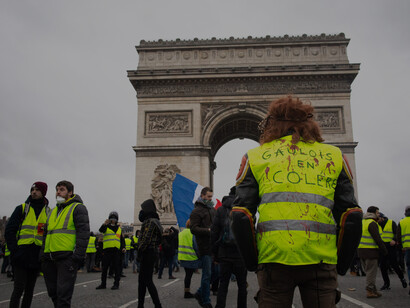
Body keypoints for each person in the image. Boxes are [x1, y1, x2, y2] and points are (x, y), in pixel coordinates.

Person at [231, 95, 360, 307]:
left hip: (274, 259)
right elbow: (352, 216)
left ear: (271, 124)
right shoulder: (334, 155)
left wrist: (254, 262)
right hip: (321, 259)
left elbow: (240, 216)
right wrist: (342, 264)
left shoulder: (255, 156)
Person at [41, 180, 90, 307]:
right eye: (57, 189)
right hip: (49, 258)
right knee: (53, 293)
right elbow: (46, 234)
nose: (58, 192)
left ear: (70, 192)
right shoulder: (51, 211)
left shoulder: (78, 208)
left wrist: (77, 257)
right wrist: (42, 255)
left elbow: (83, 234)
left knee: (63, 296)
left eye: (62, 189)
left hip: (66, 259)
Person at [5, 181, 50, 308]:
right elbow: (10, 230)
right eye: (32, 190)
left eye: (37, 190)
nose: (34, 192)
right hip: (21, 253)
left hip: (36, 255)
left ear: (43, 192)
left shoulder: (48, 212)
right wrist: (14, 250)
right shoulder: (22, 208)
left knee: (30, 291)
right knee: (18, 288)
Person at [211, 186, 247, 308]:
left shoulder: (220, 210)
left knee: (223, 284)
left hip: (224, 253)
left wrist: (215, 254)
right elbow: (250, 234)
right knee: (242, 285)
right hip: (240, 254)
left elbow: (214, 233)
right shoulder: (244, 209)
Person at [190, 186, 216, 308]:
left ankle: (200, 292)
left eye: (211, 196)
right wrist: (208, 230)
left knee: (216, 273)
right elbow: (193, 229)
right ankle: (206, 301)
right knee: (207, 274)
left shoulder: (212, 209)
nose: (211, 199)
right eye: (209, 196)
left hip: (213, 245)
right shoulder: (196, 211)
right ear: (202, 195)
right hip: (204, 246)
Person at [137, 199, 163, 308]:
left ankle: (157, 305)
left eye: (142, 209)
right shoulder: (155, 221)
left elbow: (146, 239)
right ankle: (140, 305)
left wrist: (139, 249)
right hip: (151, 252)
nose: (141, 212)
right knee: (142, 281)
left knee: (147, 281)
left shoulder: (150, 221)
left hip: (147, 253)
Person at [358, 206, 387, 298]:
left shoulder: (362, 222)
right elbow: (377, 238)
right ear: (373, 213)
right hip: (370, 251)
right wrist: (384, 250)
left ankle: (373, 290)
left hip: (361, 250)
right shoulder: (372, 223)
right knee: (371, 272)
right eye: (377, 212)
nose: (378, 214)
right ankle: (370, 290)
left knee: (368, 271)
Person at [96, 211, 125, 290]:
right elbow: (101, 230)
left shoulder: (119, 229)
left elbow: (122, 240)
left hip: (116, 251)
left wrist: (123, 247)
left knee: (116, 268)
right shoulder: (106, 227)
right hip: (107, 250)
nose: (113, 220)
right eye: (112, 218)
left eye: (114, 218)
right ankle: (103, 284)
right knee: (104, 268)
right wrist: (104, 223)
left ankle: (116, 284)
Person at [378, 212, 407, 290]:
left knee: (394, 265)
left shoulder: (391, 223)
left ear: (382, 218)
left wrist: (394, 239)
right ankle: (386, 284)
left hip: (391, 247)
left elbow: (397, 233)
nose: (377, 220)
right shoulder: (377, 225)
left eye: (378, 218)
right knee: (383, 266)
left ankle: (402, 279)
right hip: (382, 247)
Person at [178, 219, 201, 299]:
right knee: (189, 275)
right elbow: (196, 246)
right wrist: (199, 256)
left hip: (182, 256)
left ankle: (186, 291)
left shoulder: (181, 233)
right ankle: (187, 293)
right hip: (191, 257)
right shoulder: (192, 233)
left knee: (188, 275)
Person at [398, 205, 410, 295]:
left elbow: (398, 236)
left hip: (407, 248)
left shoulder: (402, 222)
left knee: (409, 267)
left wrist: (401, 247)